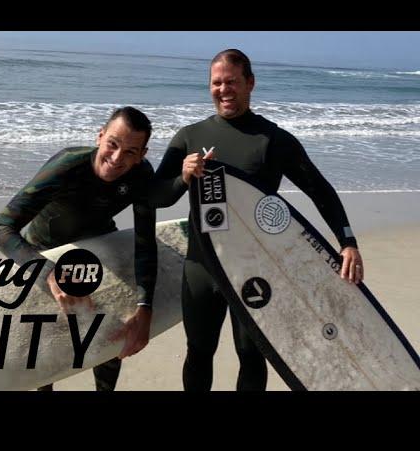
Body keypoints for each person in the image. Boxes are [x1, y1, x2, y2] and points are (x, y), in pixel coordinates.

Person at [152, 49, 364, 391]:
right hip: (202, 266)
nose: (224, 90)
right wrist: (183, 177)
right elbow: (157, 197)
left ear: (250, 83)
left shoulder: (274, 140)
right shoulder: (188, 137)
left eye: (232, 82)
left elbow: (320, 190)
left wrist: (348, 241)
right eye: (216, 83)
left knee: (252, 354)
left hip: (256, 267)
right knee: (199, 351)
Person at [0, 106, 157, 391]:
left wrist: (145, 308)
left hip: (97, 249)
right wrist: (47, 274)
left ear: (142, 154)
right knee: (47, 342)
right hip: (45, 251)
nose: (117, 159)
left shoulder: (141, 175)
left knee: (112, 326)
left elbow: (144, 243)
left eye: (130, 152)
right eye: (112, 144)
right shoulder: (67, 166)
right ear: (100, 136)